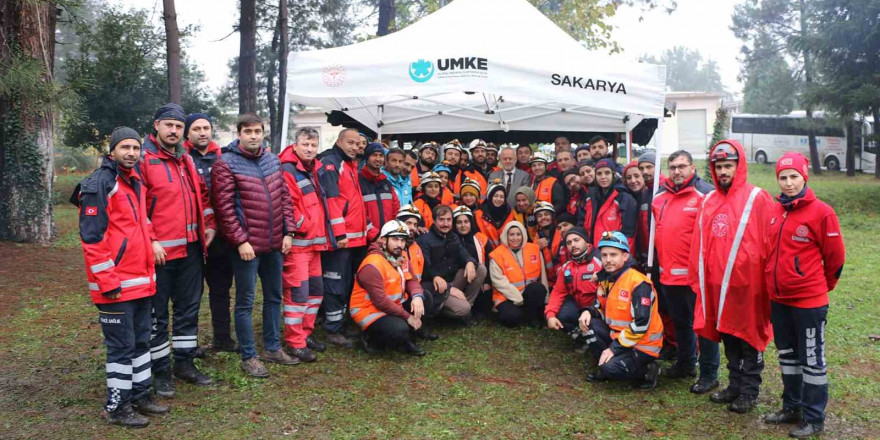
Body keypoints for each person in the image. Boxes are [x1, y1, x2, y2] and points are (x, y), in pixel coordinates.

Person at [75, 127, 168, 427]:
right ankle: (117, 407)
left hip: (141, 281)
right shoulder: (100, 184)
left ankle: (141, 394)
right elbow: (92, 239)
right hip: (115, 286)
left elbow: (140, 223)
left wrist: (152, 240)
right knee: (121, 347)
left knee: (142, 342)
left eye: (135, 148)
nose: (131, 153)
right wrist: (108, 281)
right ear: (112, 150)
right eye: (125, 147)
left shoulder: (135, 181)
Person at [212, 113, 301, 376]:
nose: (253, 136)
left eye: (257, 131)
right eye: (248, 131)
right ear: (239, 133)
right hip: (247, 248)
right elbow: (224, 208)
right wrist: (240, 241)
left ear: (263, 133)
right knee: (245, 301)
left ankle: (273, 348)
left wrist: (289, 232)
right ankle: (249, 355)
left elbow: (284, 198)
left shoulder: (272, 160)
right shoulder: (225, 163)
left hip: (275, 244)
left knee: (274, 297)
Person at [763, 152, 845, 438]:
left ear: (804, 177)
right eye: (783, 177)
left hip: (809, 302)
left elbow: (836, 260)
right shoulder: (776, 211)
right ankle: (792, 407)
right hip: (779, 300)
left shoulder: (822, 212)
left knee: (812, 360)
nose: (788, 183)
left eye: (793, 176)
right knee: (787, 357)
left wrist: (819, 287)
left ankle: (814, 417)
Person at [690, 140, 775, 413]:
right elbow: (699, 244)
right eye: (719, 166)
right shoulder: (709, 201)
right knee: (728, 336)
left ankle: (749, 391)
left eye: (728, 165)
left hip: (748, 287)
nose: (724, 171)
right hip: (718, 287)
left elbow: (770, 243)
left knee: (749, 338)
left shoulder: (757, 198)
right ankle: (734, 385)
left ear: (739, 167)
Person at [140, 103, 215, 394]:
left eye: (178, 126)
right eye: (168, 125)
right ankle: (160, 372)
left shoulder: (185, 160)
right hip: (158, 255)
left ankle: (184, 363)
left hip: (192, 251)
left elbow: (203, 197)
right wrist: (151, 240)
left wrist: (209, 224)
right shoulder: (144, 159)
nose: (173, 130)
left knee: (188, 309)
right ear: (156, 125)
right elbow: (135, 207)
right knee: (157, 315)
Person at [651, 150, 720, 394]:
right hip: (668, 275)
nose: (677, 171)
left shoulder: (706, 194)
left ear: (693, 167)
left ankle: (709, 373)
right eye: (673, 167)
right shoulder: (659, 197)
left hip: (696, 277)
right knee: (681, 323)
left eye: (682, 166)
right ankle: (686, 363)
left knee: (703, 326)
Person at [278, 127, 345, 362]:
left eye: (313, 145)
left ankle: (305, 335)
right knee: (298, 295)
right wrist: (303, 225)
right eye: (305, 144)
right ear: (295, 145)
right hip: (298, 244)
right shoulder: (287, 170)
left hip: (315, 245)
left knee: (316, 293)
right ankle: (294, 342)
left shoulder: (315, 168)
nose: (309, 149)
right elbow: (286, 205)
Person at [580, 231, 663, 390]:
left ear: (625, 256)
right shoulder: (607, 279)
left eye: (613, 254)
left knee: (611, 369)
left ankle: (648, 369)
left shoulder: (639, 283)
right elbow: (602, 309)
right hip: (621, 337)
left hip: (642, 344)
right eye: (604, 255)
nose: (608, 260)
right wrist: (588, 312)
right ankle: (604, 364)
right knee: (588, 324)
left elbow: (640, 325)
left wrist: (613, 348)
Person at [183, 113, 236, 353]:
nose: (202, 132)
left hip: (221, 237)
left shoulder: (224, 157)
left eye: (206, 127)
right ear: (188, 133)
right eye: (196, 128)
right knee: (190, 294)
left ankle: (222, 339)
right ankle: (189, 344)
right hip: (192, 236)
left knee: (221, 289)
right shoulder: (181, 158)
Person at [319, 128, 374, 348]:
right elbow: (333, 201)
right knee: (335, 284)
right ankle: (332, 329)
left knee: (349, 283)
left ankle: (342, 323)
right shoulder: (332, 163)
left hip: (356, 239)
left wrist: (369, 231)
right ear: (339, 142)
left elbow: (356, 204)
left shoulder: (352, 165)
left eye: (357, 143)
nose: (354, 147)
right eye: (350, 142)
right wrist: (339, 234)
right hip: (342, 240)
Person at [351, 220, 429, 356]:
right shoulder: (373, 264)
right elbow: (380, 301)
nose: (399, 244)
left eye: (403, 240)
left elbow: (412, 280)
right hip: (370, 312)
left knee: (425, 297)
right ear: (383, 239)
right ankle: (370, 338)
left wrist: (417, 297)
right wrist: (408, 317)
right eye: (395, 239)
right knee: (399, 329)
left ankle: (407, 336)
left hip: (392, 306)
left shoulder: (401, 257)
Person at [416, 205, 487, 322]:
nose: (445, 224)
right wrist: (443, 284)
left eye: (448, 220)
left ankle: (464, 306)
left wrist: (469, 261)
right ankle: (448, 310)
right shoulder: (424, 240)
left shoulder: (453, 236)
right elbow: (425, 267)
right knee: (464, 308)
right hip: (436, 286)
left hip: (452, 281)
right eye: (441, 220)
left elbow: (464, 253)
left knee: (480, 269)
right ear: (434, 220)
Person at [488, 221, 548, 327]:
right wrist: (518, 298)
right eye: (511, 234)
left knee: (538, 288)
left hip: (528, 294)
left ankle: (531, 317)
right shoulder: (497, 255)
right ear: (506, 236)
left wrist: (547, 302)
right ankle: (512, 313)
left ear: (523, 235)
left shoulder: (534, 249)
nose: (515, 238)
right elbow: (499, 282)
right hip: (507, 297)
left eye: (518, 234)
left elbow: (543, 277)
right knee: (512, 318)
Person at [545, 227, 601, 334]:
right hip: (578, 307)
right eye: (569, 243)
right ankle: (579, 336)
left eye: (576, 240)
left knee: (594, 326)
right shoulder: (566, 267)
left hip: (598, 310)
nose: (573, 245)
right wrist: (550, 315)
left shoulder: (601, 261)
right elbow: (558, 292)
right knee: (561, 313)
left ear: (586, 241)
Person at [580, 158, 637, 250]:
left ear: (613, 174)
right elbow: (582, 222)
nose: (603, 177)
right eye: (599, 173)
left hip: (614, 251)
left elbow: (628, 232)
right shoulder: (590, 196)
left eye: (607, 173)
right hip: (592, 250)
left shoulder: (624, 198)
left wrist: (623, 254)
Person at [452, 206, 495, 319]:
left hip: (477, 282)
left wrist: (487, 282)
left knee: (481, 269)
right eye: (459, 222)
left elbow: (490, 262)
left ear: (471, 222)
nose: (463, 225)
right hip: (457, 280)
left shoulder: (481, 238)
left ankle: (468, 306)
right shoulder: (450, 239)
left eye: (466, 221)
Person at [360, 142, 401, 230]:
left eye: (381, 155)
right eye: (374, 155)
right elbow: (358, 212)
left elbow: (396, 208)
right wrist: (374, 234)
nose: (378, 159)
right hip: (366, 236)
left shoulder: (386, 183)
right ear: (367, 158)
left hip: (386, 236)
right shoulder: (358, 181)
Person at [476, 181, 511, 248]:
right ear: (490, 197)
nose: (498, 199)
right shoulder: (479, 215)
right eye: (495, 196)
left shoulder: (510, 214)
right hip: (486, 251)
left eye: (502, 197)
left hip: (505, 253)